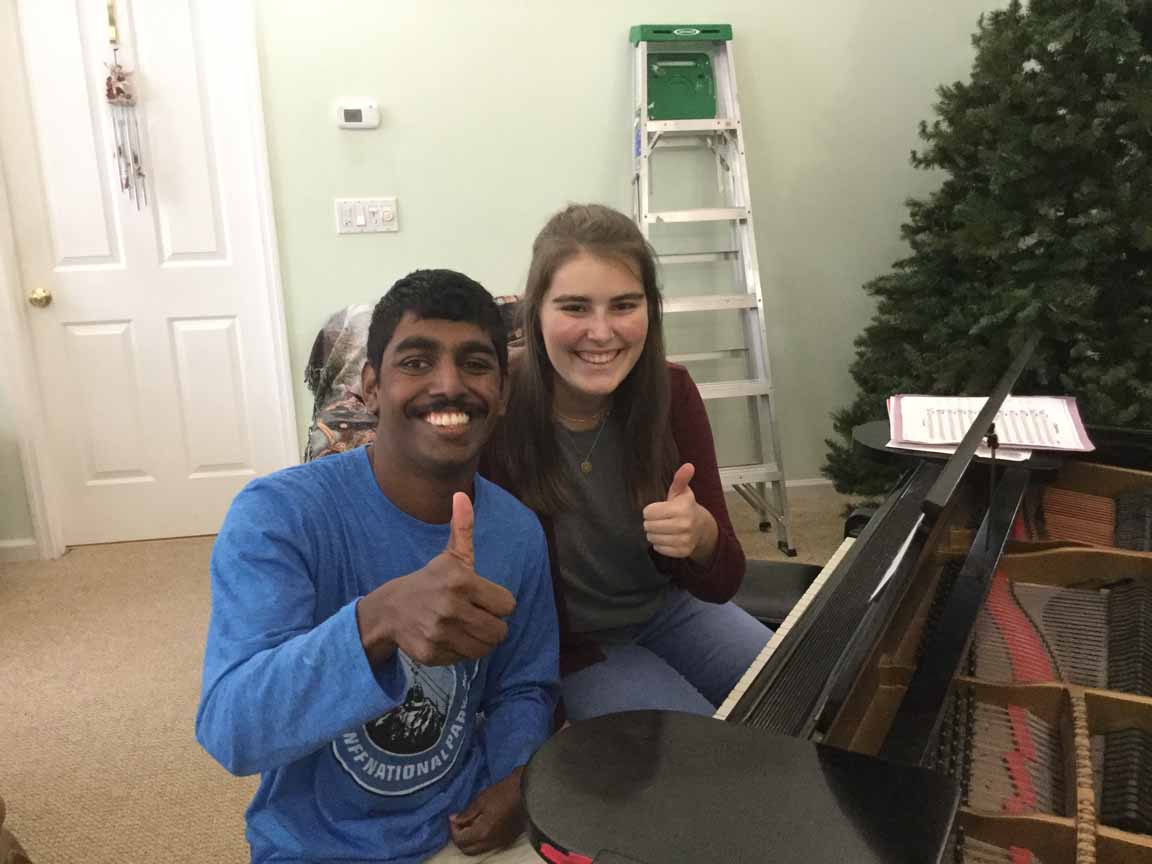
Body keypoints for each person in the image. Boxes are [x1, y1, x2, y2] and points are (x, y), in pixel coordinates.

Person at [196, 270, 558, 863]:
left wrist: (517, 779)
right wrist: (376, 621)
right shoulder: (277, 517)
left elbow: (524, 685)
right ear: (370, 387)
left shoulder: (516, 531)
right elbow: (232, 731)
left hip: (464, 829)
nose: (449, 385)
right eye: (416, 362)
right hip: (318, 848)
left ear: (502, 392)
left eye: (474, 364)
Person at [486, 203, 770, 721]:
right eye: (575, 307)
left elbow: (723, 581)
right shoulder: (495, 408)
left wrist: (703, 536)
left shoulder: (673, 393)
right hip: (575, 645)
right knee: (695, 752)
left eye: (623, 305)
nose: (601, 333)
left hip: (670, 608)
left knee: (793, 695)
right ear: (536, 312)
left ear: (650, 310)